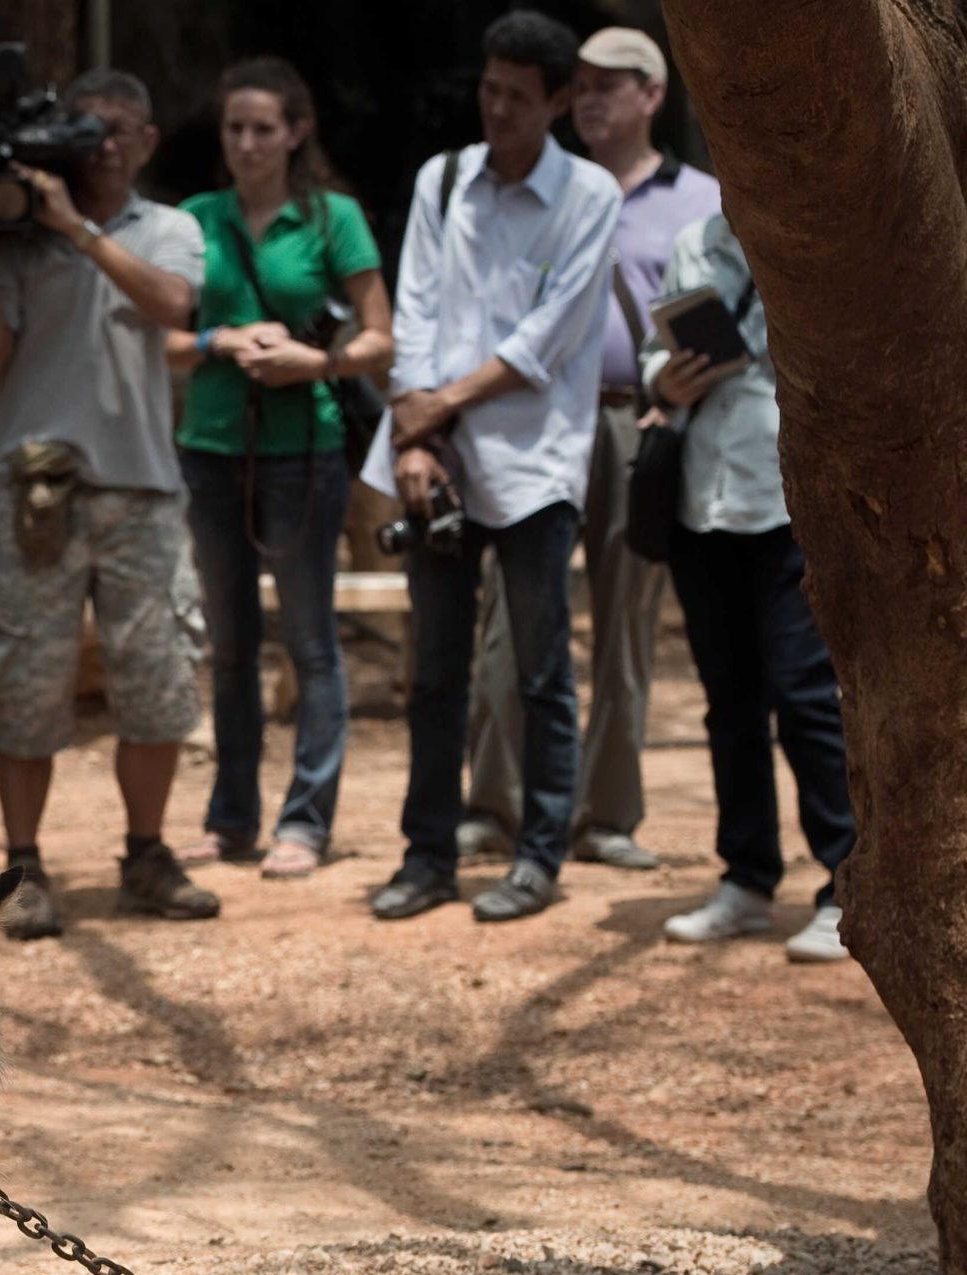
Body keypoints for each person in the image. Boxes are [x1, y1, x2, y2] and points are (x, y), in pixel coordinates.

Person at [362, 10, 621, 924]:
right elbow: (418, 313)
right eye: (489, 88)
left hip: (535, 461)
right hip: (439, 461)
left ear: (559, 101)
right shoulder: (443, 182)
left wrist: (438, 408)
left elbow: (546, 338)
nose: (498, 108)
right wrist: (416, 437)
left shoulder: (591, 197)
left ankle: (539, 854)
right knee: (435, 669)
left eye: (519, 95)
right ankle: (427, 854)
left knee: (541, 668)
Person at [0, 69, 213, 933]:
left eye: (119, 131)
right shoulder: (22, 238)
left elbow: (173, 306)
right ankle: (22, 867)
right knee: (28, 685)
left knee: (158, 683)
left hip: (141, 487)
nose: (102, 145)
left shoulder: (171, 228)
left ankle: (147, 854)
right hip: (34, 486)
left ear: (146, 142)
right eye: (86, 130)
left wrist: (77, 229)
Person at [460, 25, 722, 873]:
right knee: (507, 614)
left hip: (633, 419)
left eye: (617, 83)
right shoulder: (542, 187)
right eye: (585, 83)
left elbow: (722, 327)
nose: (596, 97)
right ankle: (493, 804)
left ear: (655, 94)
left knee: (625, 623)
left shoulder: (706, 201)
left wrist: (677, 399)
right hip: (532, 419)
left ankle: (606, 815)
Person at [172, 58, 392, 881]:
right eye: (234, 128)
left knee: (310, 642)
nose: (248, 143)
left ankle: (306, 822)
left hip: (306, 451)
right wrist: (217, 341)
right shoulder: (194, 219)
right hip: (213, 450)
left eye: (264, 128)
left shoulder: (333, 218)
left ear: (296, 132)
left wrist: (310, 361)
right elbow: (156, 337)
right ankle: (231, 820)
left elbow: (380, 339)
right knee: (229, 647)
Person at [643, 215, 853, 964]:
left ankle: (847, 886)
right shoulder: (693, 239)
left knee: (803, 695)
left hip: (790, 501)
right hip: (704, 499)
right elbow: (652, 355)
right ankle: (747, 878)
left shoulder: (815, 226)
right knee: (729, 701)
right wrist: (662, 379)